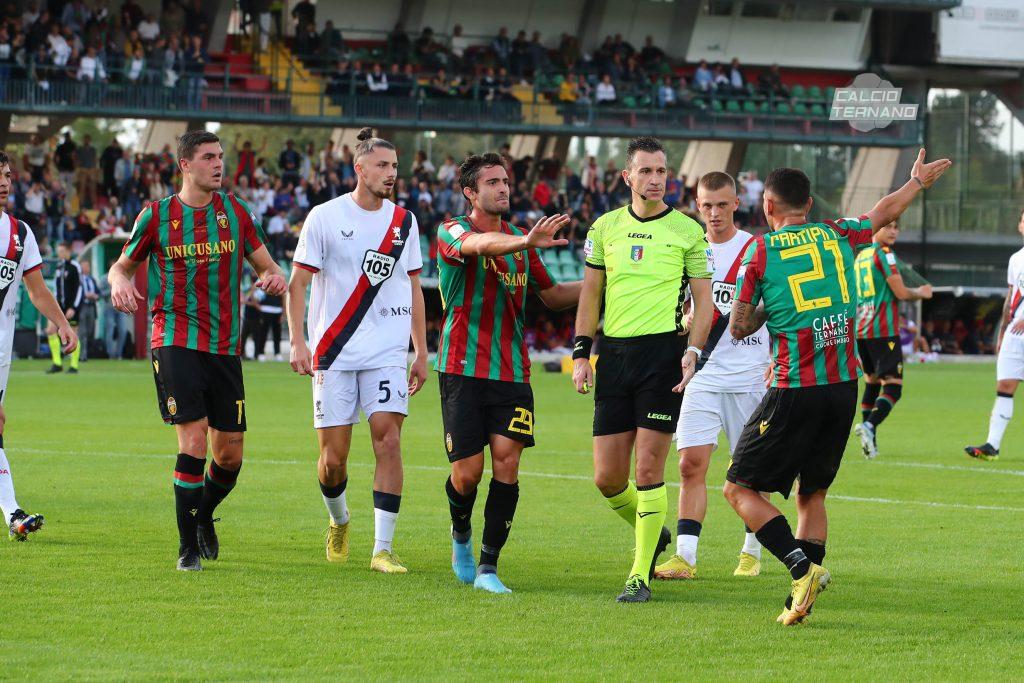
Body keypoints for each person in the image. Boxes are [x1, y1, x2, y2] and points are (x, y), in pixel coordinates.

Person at [724, 149, 951, 625]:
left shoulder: (760, 251)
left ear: (768, 206)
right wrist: (917, 183)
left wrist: (768, 305)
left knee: (738, 488)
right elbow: (883, 211)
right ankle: (797, 603)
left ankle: (800, 568)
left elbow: (741, 326)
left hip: (795, 386)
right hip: (844, 384)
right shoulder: (836, 233)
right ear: (808, 204)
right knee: (813, 495)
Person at [107, 130, 286, 572]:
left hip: (224, 346)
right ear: (185, 165)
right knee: (193, 438)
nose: (219, 164)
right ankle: (187, 549)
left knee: (230, 456)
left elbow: (268, 266)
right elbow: (121, 265)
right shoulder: (156, 216)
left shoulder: (237, 213)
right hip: (174, 337)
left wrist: (274, 278)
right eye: (209, 157)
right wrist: (118, 282)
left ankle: (203, 514)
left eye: (220, 157)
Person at [573, 136, 714, 603]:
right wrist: (580, 352)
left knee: (650, 466)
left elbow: (705, 302)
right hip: (613, 357)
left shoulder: (687, 231)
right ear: (627, 177)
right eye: (647, 172)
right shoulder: (604, 228)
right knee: (607, 478)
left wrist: (692, 352)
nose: (656, 180)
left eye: (662, 172)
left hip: (663, 358)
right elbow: (591, 295)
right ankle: (653, 534)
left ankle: (639, 577)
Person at [435, 153, 580, 594]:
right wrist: (525, 244)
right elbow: (478, 247)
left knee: (508, 463)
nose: (503, 188)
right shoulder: (452, 230)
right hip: (461, 369)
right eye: (493, 182)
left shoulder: (521, 238)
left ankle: (488, 568)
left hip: (512, 373)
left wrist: (607, 278)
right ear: (470, 192)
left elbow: (553, 296)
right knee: (467, 475)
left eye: (505, 181)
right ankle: (461, 534)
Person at [287, 129, 428, 574]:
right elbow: (298, 285)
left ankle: (382, 549)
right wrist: (297, 341)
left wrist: (421, 350)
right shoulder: (324, 218)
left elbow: (414, 287)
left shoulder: (404, 222)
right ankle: (339, 519)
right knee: (333, 460)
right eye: (383, 166)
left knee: (388, 439)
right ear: (359, 169)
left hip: (387, 351)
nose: (391, 174)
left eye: (395, 167)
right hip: (333, 352)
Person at [654, 172, 771, 581]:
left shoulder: (757, 248)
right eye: (707, 205)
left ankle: (751, 550)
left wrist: (776, 357)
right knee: (690, 464)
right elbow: (682, 308)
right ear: (696, 205)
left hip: (751, 375)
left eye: (722, 204)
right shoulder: (689, 248)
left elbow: (774, 306)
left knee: (750, 471)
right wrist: (686, 318)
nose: (714, 213)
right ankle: (685, 556)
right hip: (702, 372)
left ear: (737, 203)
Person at [0, 151, 77, 541]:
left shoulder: (19, 233)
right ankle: (13, 513)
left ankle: (13, 515)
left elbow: (36, 288)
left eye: (8, 176)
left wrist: (61, 322)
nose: (4, 183)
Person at [853, 221, 932, 458]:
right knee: (894, 387)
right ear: (875, 229)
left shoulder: (861, 257)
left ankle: (870, 446)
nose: (893, 231)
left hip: (862, 330)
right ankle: (869, 425)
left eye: (897, 226)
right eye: (888, 226)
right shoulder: (884, 255)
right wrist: (921, 292)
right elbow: (901, 293)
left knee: (872, 383)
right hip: (882, 330)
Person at [966, 209, 1024, 461]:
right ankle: (992, 445)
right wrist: (1002, 333)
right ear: (1020, 225)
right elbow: (1011, 296)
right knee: (1005, 384)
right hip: (1014, 333)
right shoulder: (1016, 259)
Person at [46, 242, 82, 375]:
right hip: (59, 306)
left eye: (62, 251)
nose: (60, 254)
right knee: (50, 330)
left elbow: (79, 288)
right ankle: (57, 363)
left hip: (71, 306)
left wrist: (73, 307)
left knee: (73, 333)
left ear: (68, 251)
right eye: (58, 251)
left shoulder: (75, 266)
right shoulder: (59, 267)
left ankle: (74, 366)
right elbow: (56, 288)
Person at [77, 260, 100, 361]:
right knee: (83, 332)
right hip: (82, 307)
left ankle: (86, 352)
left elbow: (99, 293)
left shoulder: (92, 279)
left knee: (90, 331)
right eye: (84, 266)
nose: (86, 268)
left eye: (87, 266)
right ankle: (82, 355)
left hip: (91, 307)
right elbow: (76, 293)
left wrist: (95, 296)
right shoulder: (78, 279)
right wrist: (85, 295)